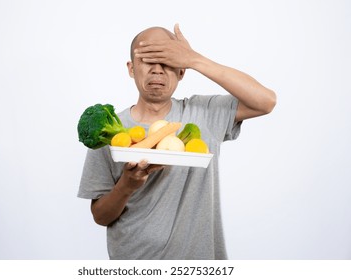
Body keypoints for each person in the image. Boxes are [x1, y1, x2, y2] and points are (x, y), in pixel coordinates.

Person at [78, 24, 276, 259]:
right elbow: (101, 216)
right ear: (131, 68)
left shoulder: (205, 113)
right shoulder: (111, 133)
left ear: (181, 72)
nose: (157, 70)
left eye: (168, 61)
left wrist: (195, 59)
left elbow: (266, 101)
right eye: (148, 60)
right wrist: (126, 186)